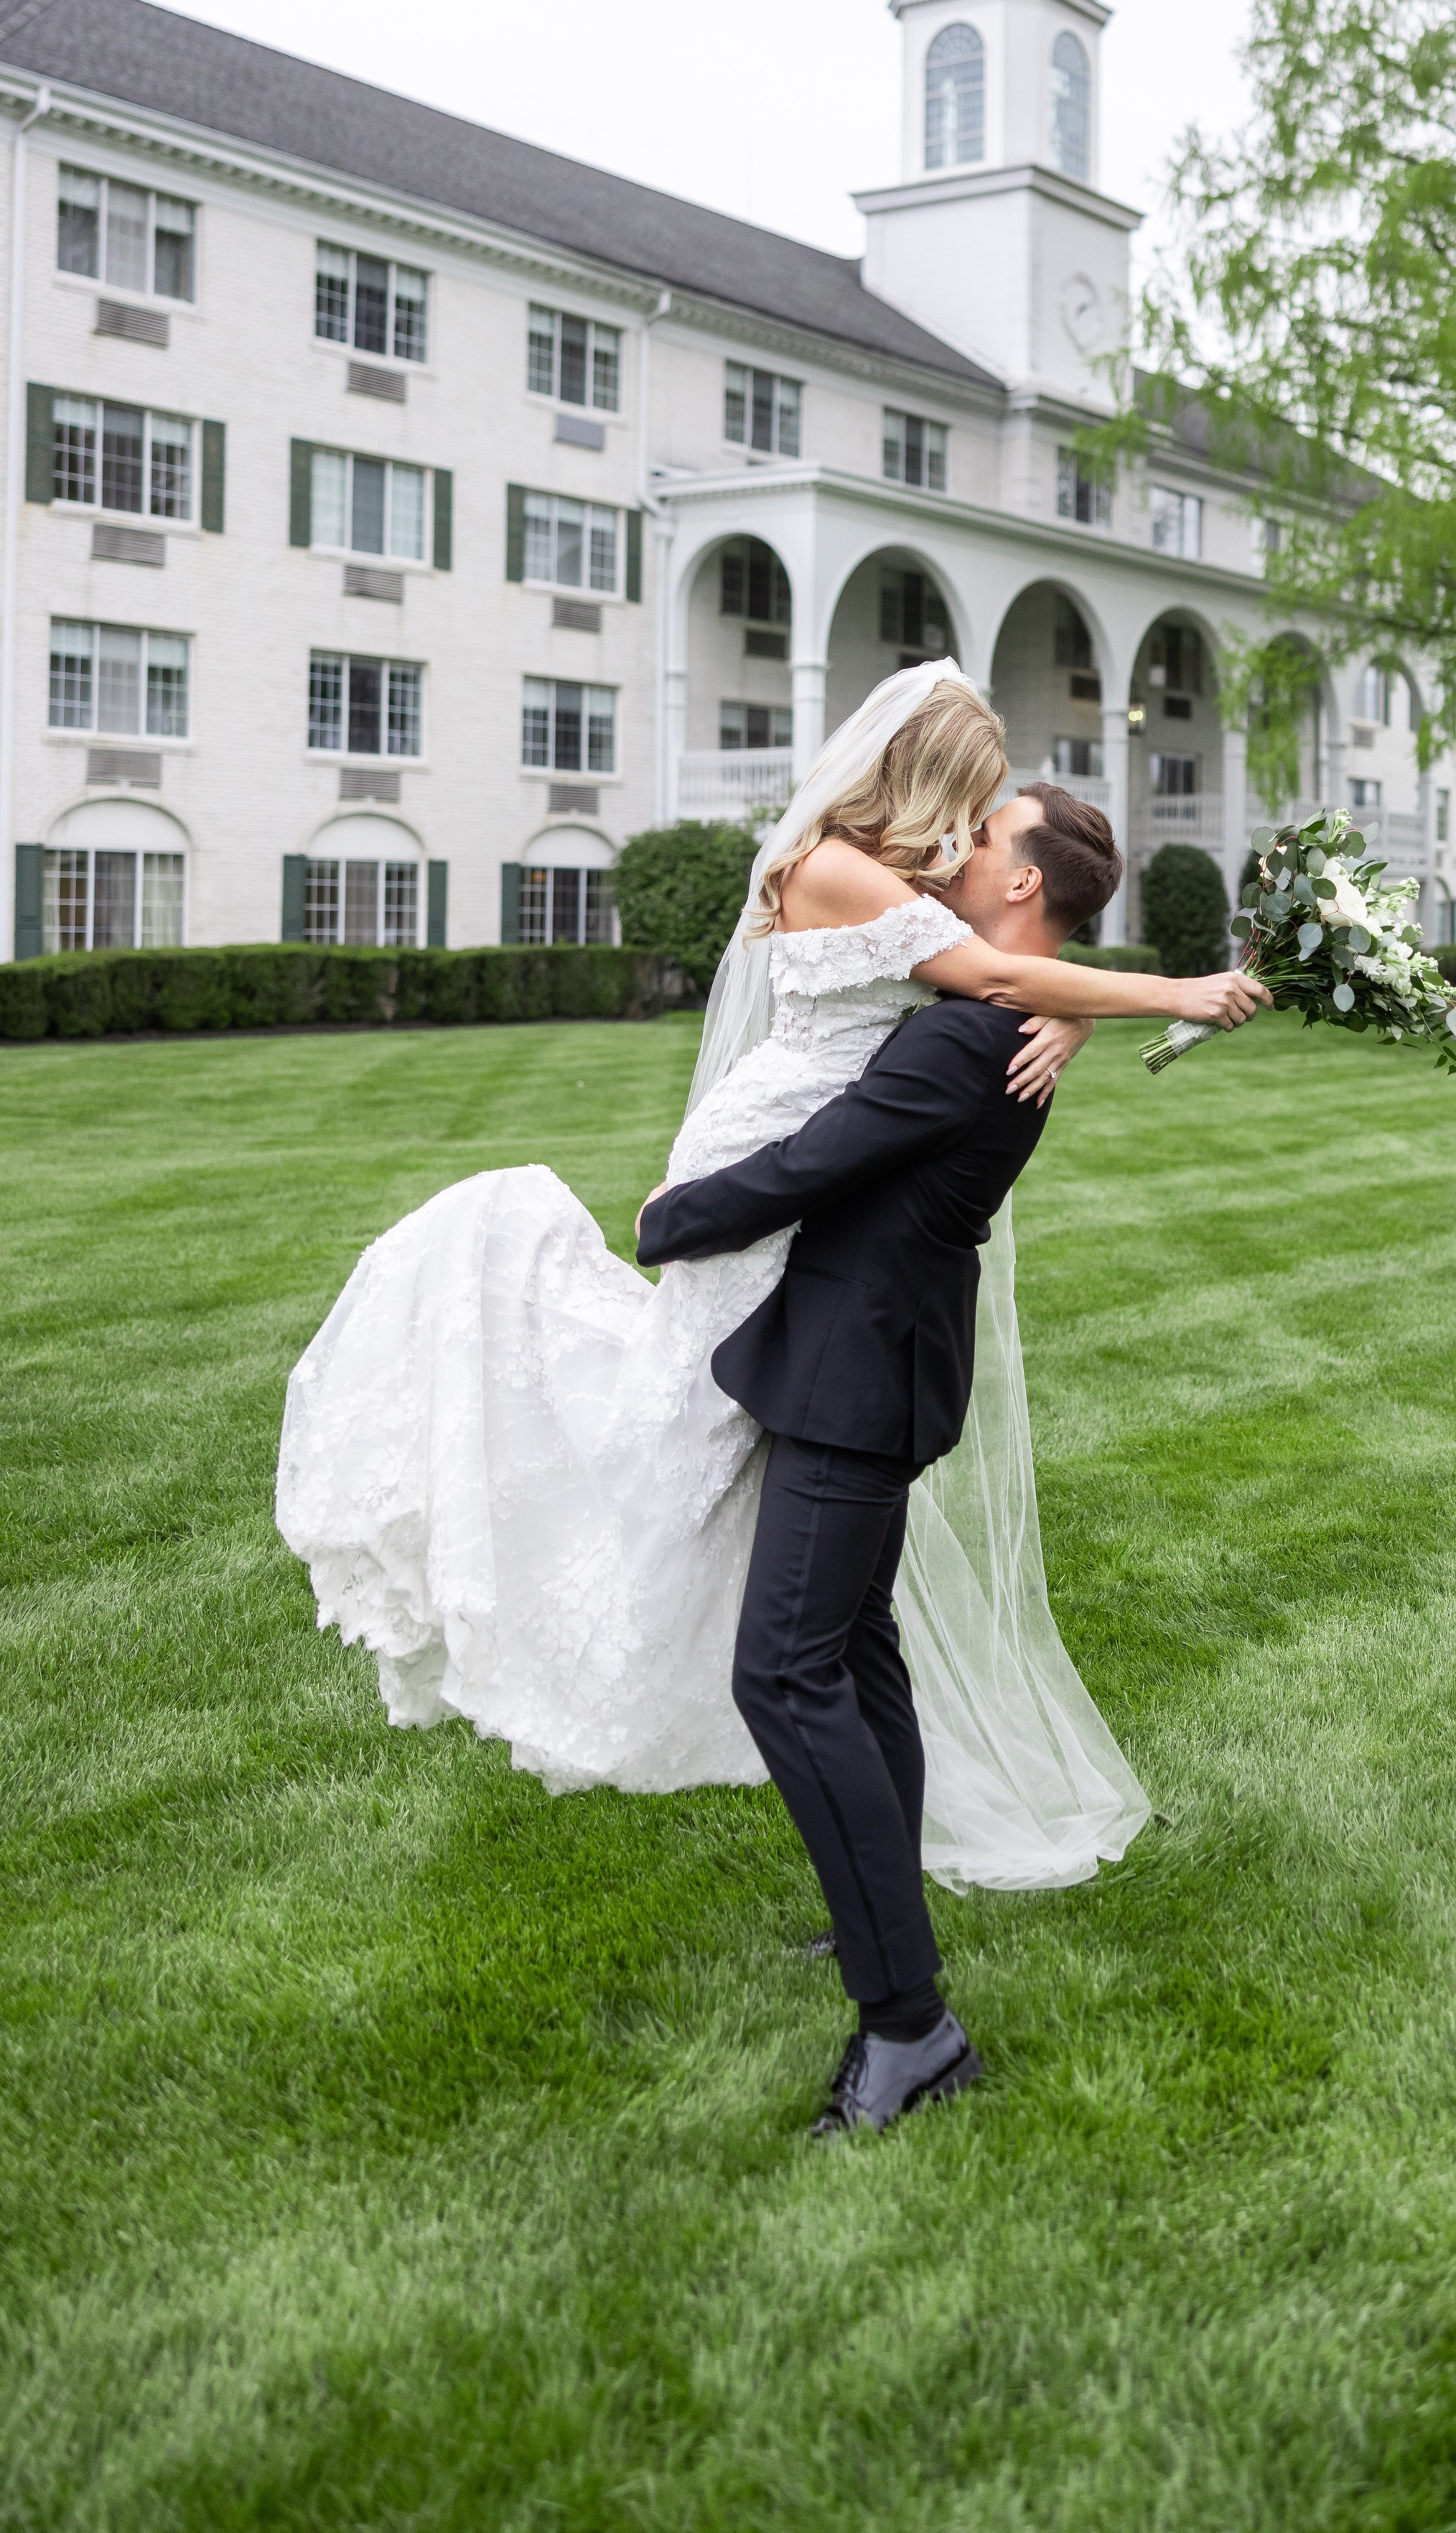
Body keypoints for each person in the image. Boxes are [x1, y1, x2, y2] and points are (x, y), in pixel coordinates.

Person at [275, 666, 1266, 1904]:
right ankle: (625, 1627)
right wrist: (1138, 996)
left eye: (986, 826)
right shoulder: (848, 874)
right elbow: (1004, 971)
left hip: (818, 1246)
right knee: (690, 1456)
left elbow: (1010, 971)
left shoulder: (922, 917)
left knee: (783, 1588)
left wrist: (1079, 1010)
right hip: (778, 1181)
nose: (967, 835)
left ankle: (877, 1928)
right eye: (967, 804)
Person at [637, 775, 1269, 2134]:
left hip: (855, 1372)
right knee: (857, 1648)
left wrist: (669, 1220)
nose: (957, 849)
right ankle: (881, 1909)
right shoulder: (1007, 1021)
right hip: (886, 1359)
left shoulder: (973, 1039)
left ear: (1024, 881)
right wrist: (1084, 1009)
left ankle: (911, 2027)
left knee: (785, 1671)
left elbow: (814, 1161)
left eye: (983, 838)